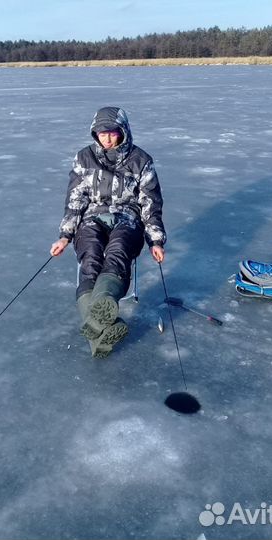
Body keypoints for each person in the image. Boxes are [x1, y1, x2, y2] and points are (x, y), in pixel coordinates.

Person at [50, 106, 166, 358]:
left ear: (123, 131)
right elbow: (75, 199)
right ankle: (100, 333)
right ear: (95, 134)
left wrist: (155, 239)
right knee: (90, 256)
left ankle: (100, 308)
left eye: (112, 132)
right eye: (102, 134)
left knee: (118, 251)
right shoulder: (84, 158)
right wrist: (65, 234)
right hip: (92, 218)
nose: (107, 138)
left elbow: (150, 203)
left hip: (128, 219)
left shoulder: (141, 160)